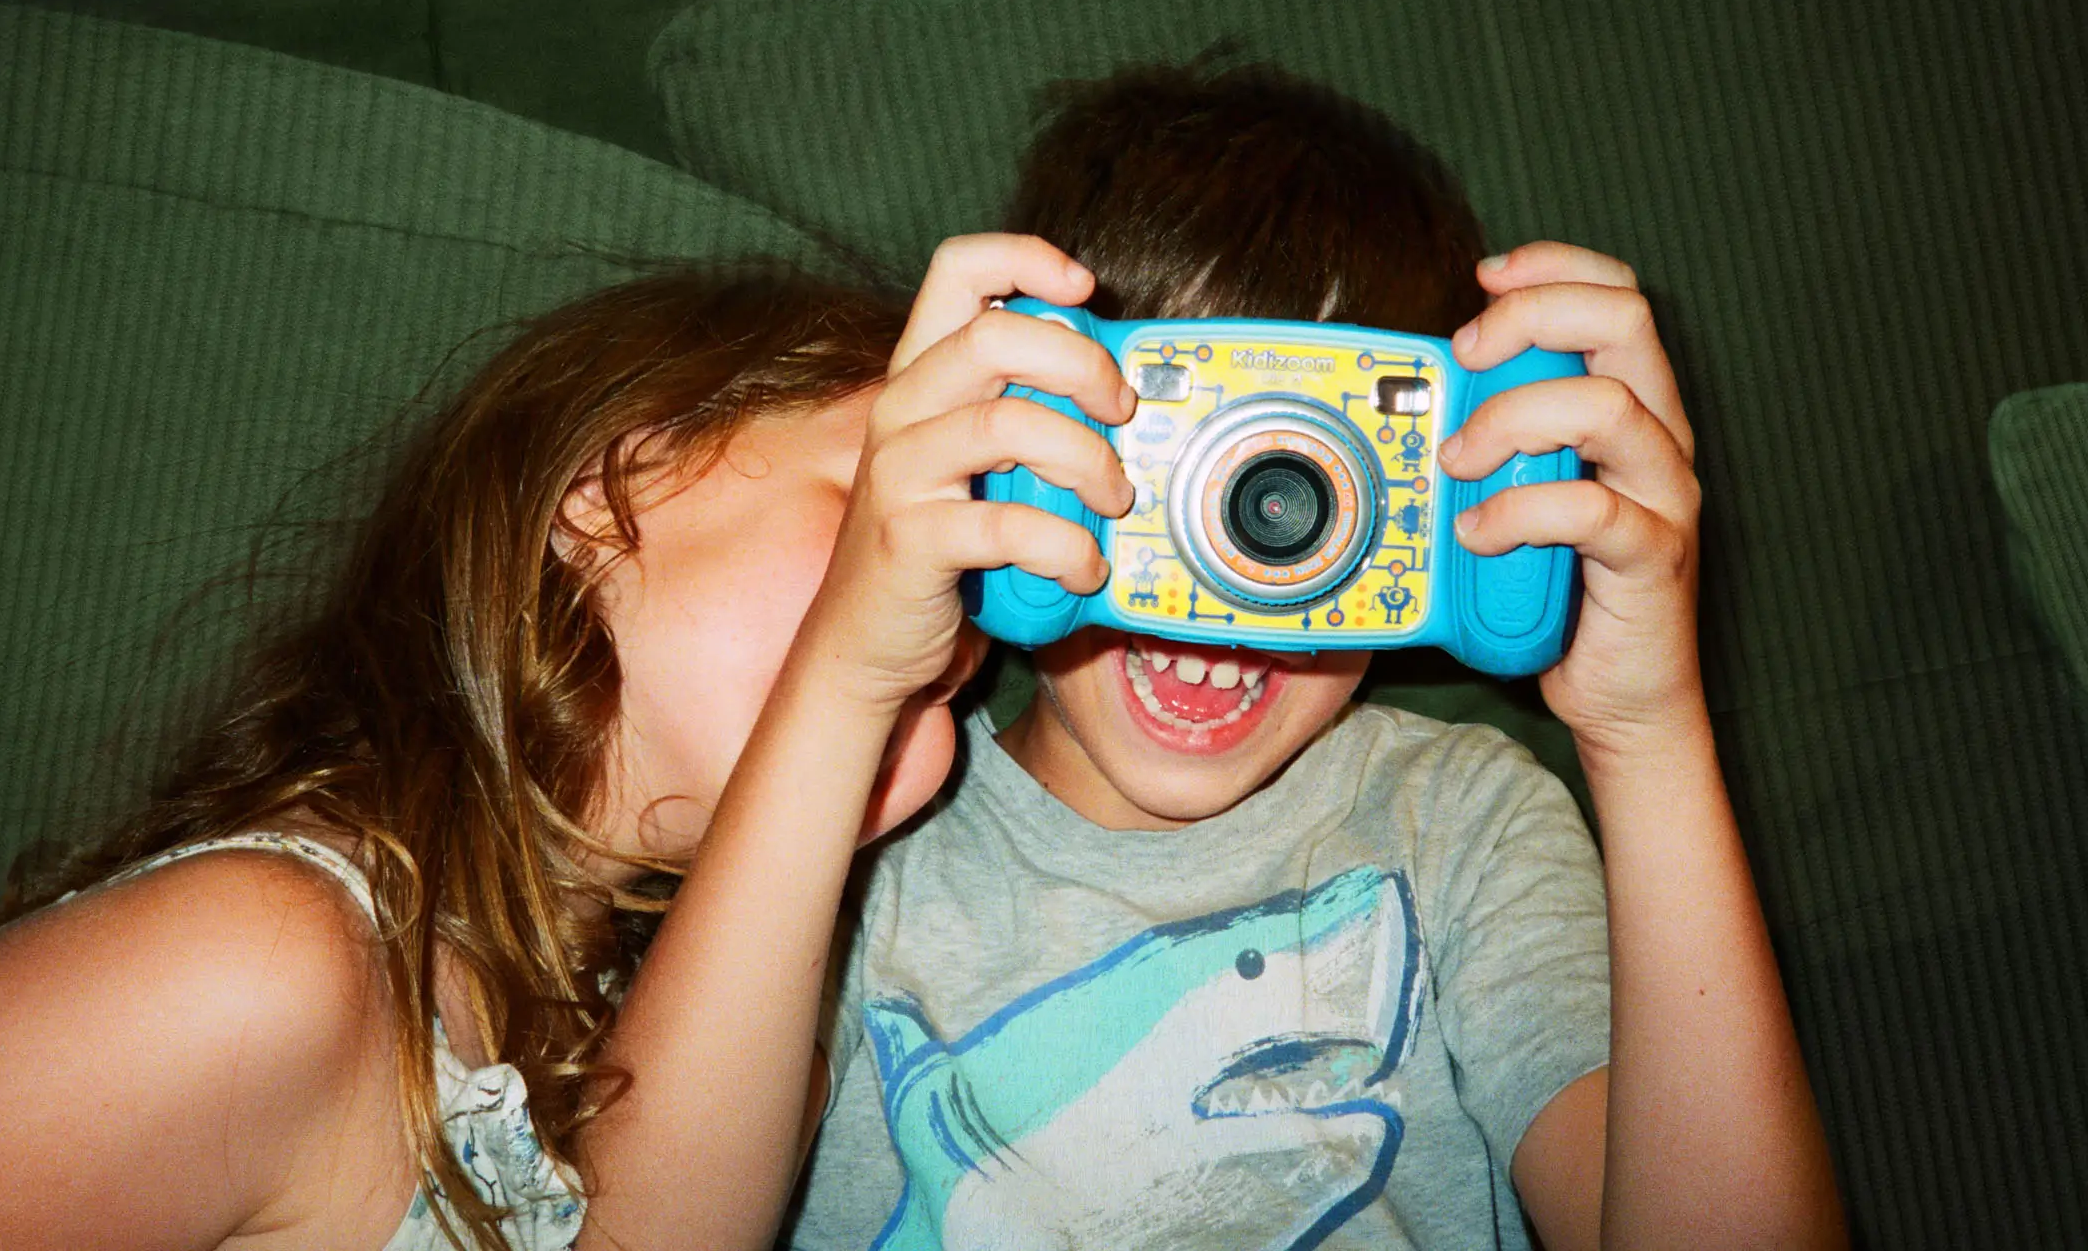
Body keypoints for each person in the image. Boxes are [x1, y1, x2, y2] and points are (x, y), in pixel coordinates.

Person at [752, 64, 1849, 1249]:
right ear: (1021, 439)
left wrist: (1647, 733)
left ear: (1440, 500)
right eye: (1185, 472)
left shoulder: (1462, 824)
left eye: (1314, 482)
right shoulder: (857, 846)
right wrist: (844, 676)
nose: (1237, 578)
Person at [0, 266, 964, 1251]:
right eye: (871, 523)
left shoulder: (688, 1051)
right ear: (608, 487)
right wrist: (841, 679)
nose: (918, 623)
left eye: (961, 622)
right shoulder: (260, 962)